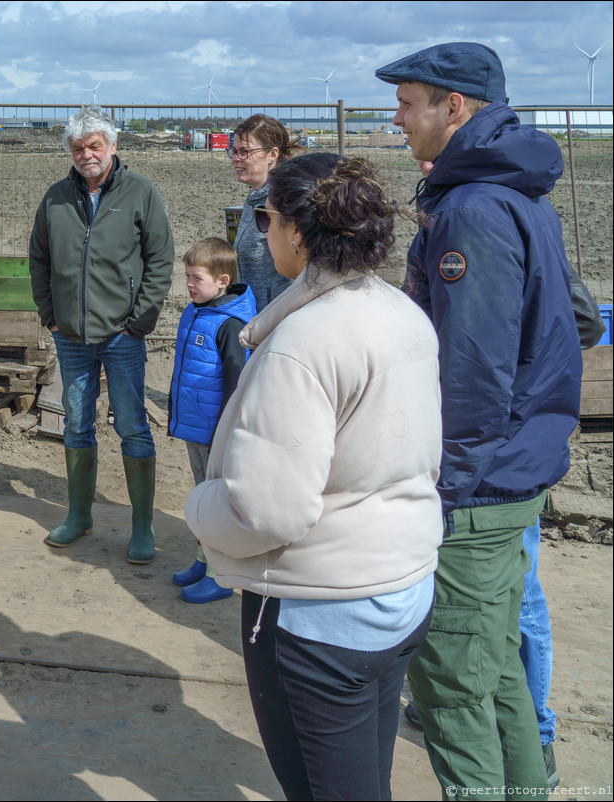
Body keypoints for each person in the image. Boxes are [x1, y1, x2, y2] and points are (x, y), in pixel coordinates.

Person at [185, 152, 442, 800]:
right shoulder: (402, 312)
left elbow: (266, 512)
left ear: (298, 231)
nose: (259, 228)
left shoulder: (302, 344)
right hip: (403, 589)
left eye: (264, 215)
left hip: (321, 618)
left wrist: (199, 507)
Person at [376, 42, 582, 799]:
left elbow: (472, 370)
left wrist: (448, 486)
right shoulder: (517, 194)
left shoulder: (472, 208)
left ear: (452, 107)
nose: (396, 119)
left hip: (479, 489)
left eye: (407, 104)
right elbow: (572, 321)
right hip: (513, 471)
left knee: (451, 694)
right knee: (496, 678)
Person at [29, 106, 174, 564]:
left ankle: (142, 526)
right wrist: (50, 315)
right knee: (76, 422)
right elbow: (39, 260)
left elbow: (160, 260)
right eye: (78, 148)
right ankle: (79, 515)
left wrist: (140, 322)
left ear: (113, 147)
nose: (86, 154)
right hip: (70, 334)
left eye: (95, 146)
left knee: (132, 426)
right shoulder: (55, 197)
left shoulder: (140, 193)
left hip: (122, 335)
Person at [167, 237, 255, 604]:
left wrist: (225, 431)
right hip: (195, 426)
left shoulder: (231, 325)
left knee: (216, 505)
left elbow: (236, 384)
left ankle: (221, 578)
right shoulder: (195, 311)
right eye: (186, 276)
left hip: (215, 433)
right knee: (202, 499)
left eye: (196, 278)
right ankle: (203, 562)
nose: (188, 285)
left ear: (222, 281)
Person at [228, 114, 302, 308]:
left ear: (273, 154)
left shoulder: (284, 203)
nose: (236, 159)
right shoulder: (256, 197)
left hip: (277, 321)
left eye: (245, 151)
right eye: (234, 151)